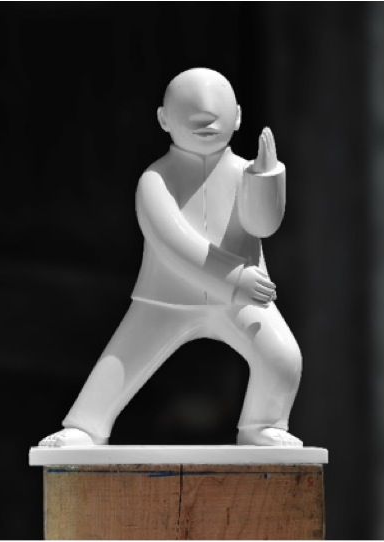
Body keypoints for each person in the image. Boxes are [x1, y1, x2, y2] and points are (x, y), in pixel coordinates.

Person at [39, 68, 302, 448]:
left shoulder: (244, 172)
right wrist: (233, 279)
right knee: (123, 360)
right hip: (168, 297)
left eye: (217, 112)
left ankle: (263, 424)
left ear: (238, 117)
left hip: (243, 299)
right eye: (190, 113)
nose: (205, 121)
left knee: (282, 357)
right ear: (163, 119)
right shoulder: (156, 179)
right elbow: (172, 241)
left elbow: (263, 225)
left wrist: (266, 177)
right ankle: (86, 426)